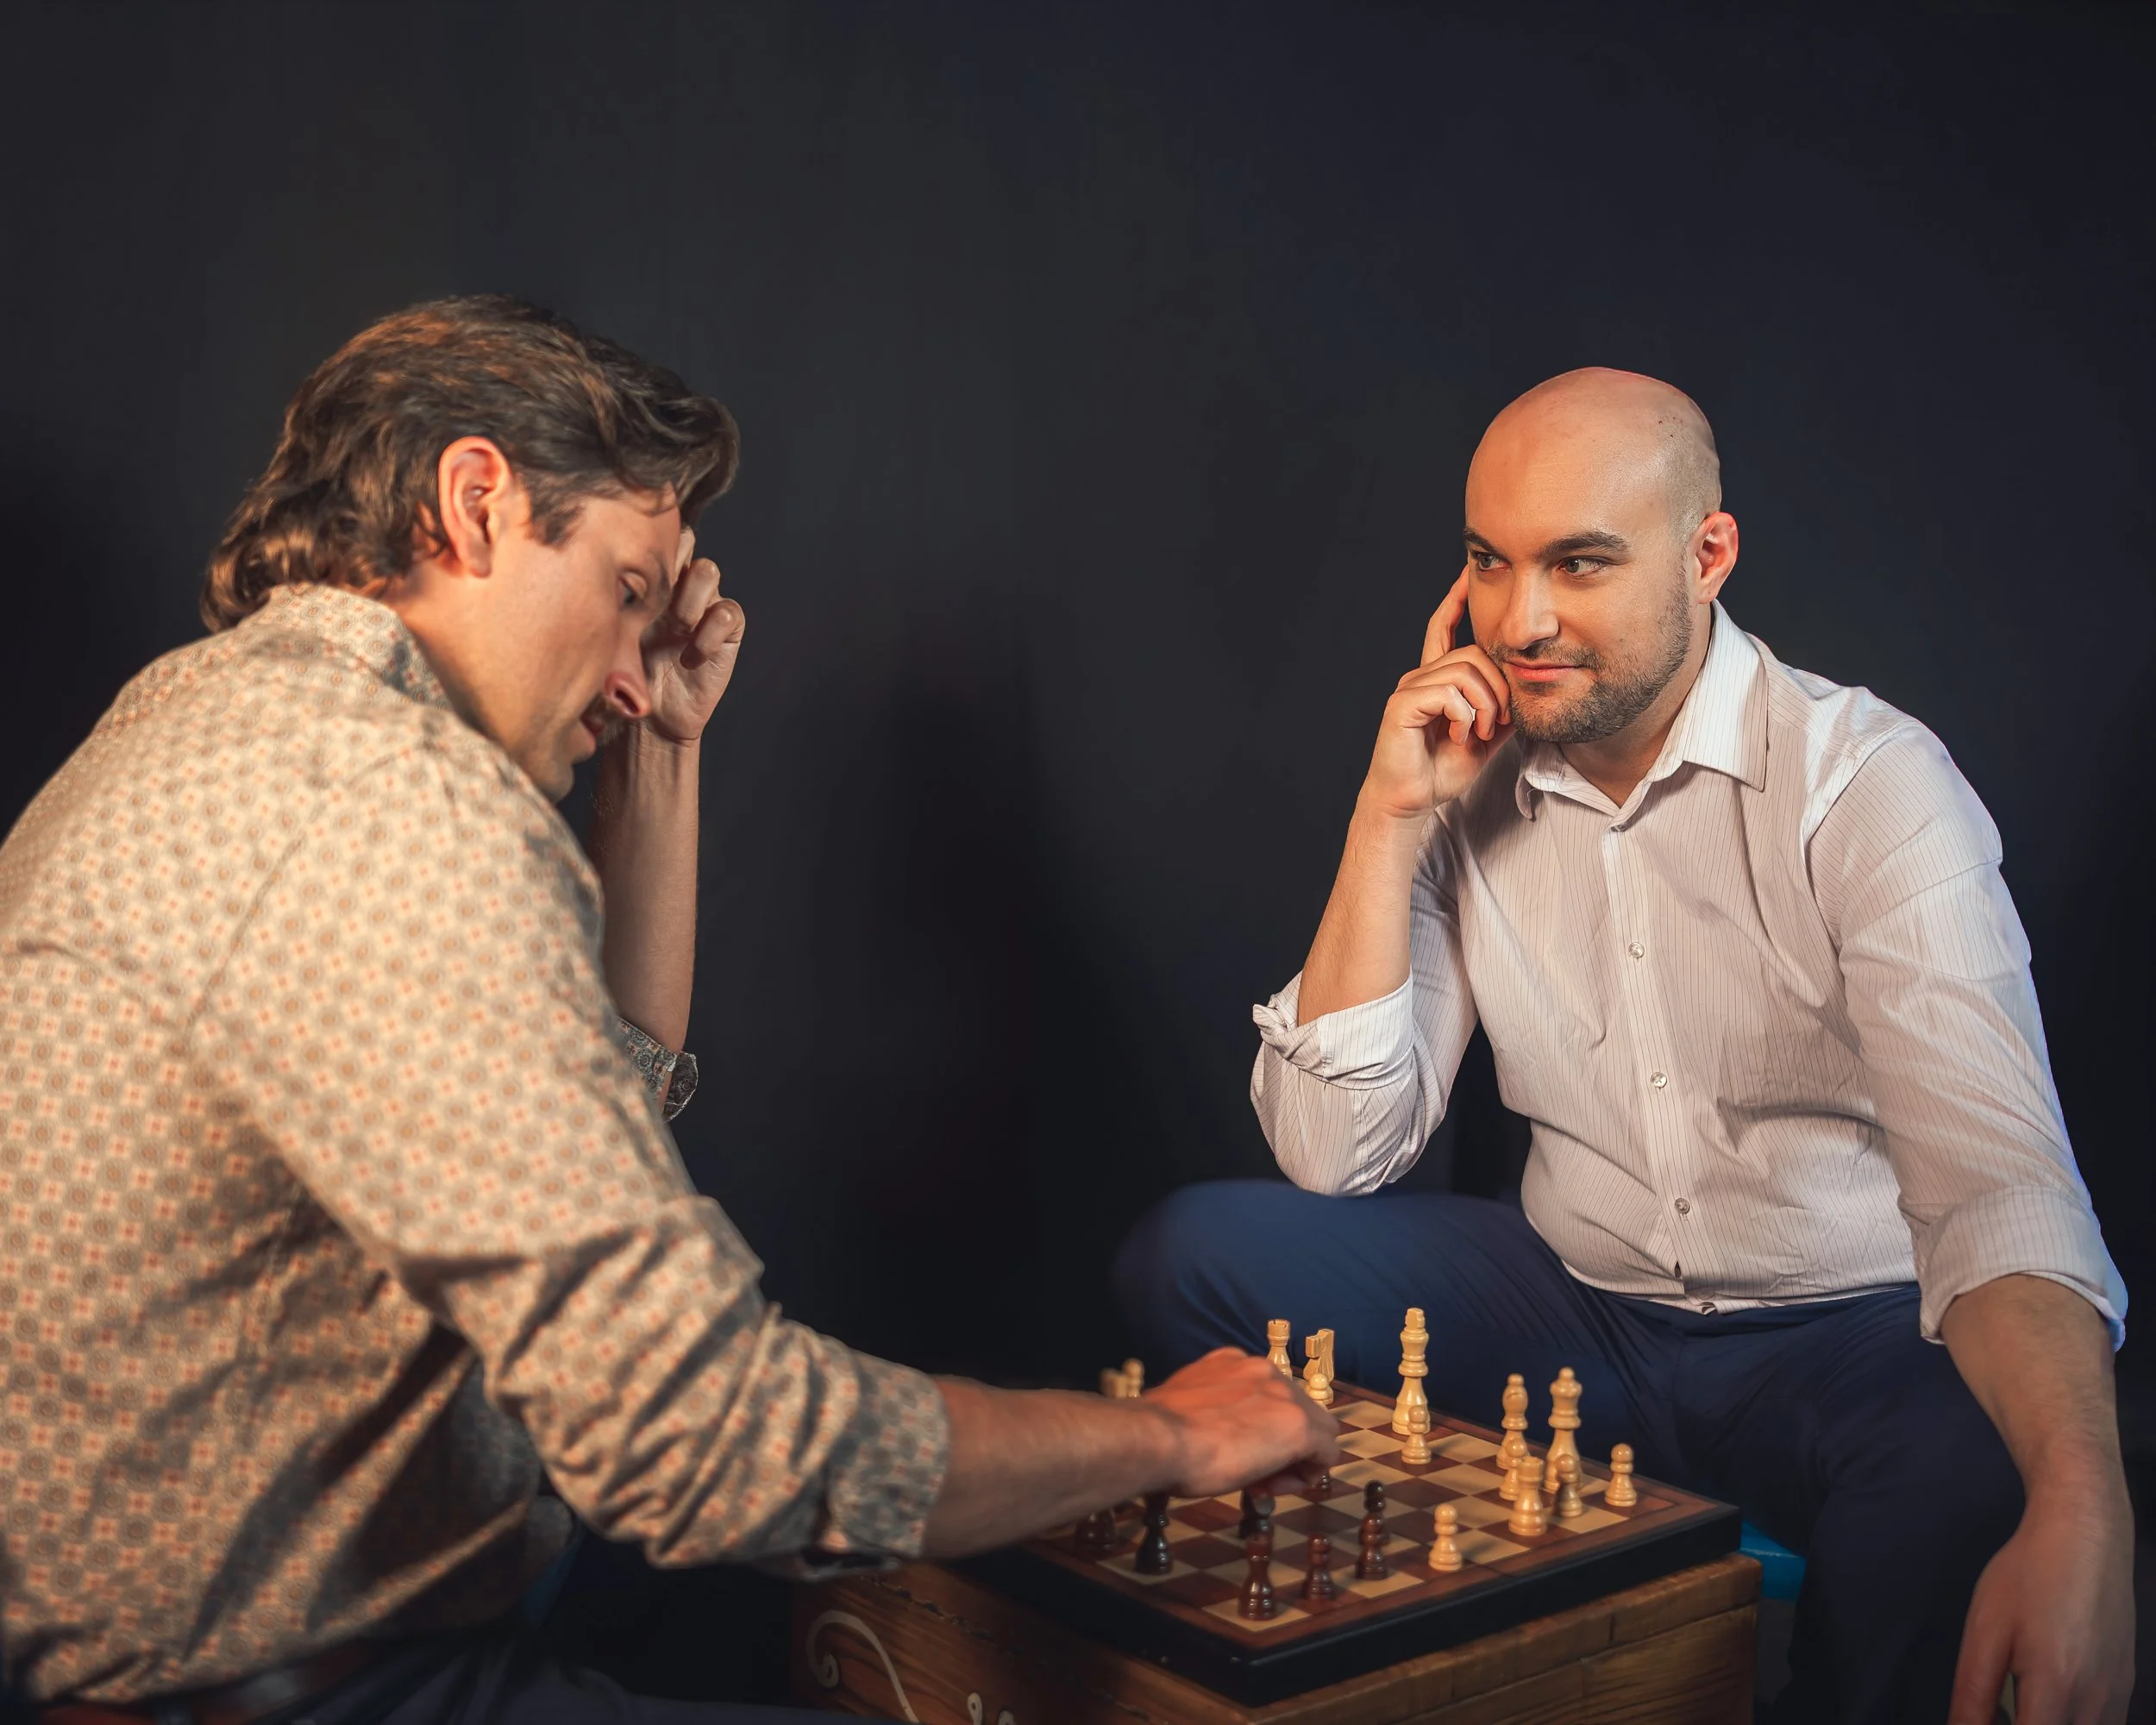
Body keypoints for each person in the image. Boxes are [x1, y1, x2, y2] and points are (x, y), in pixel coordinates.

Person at [0, 297, 1337, 1725]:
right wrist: (1160, 1438)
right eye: (631, 589)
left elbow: (592, 1111)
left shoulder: (203, 720)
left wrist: (660, 761)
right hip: (305, 1684)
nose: (637, 671)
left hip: (298, 1602)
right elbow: (712, 1444)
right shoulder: (384, 800)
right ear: (474, 503)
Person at [1114, 369, 2133, 1725]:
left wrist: (2088, 1512)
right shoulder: (1461, 768)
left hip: (1857, 1334)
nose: (1522, 619)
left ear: (1707, 556)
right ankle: (1402, 1667)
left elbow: (2001, 1191)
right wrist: (1388, 812)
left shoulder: (1868, 783)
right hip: (1574, 1305)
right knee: (1189, 1257)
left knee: (1969, 1498)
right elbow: (1337, 1156)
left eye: (1580, 563)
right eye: (1491, 561)